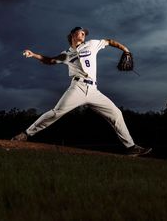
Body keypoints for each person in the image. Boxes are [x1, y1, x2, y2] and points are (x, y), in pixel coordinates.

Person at [12, 27, 152, 156]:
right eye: (80, 32)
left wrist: (125, 50)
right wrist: (33, 54)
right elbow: (49, 60)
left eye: (84, 33)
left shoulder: (92, 44)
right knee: (56, 112)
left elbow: (109, 41)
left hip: (93, 90)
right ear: (72, 35)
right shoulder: (66, 54)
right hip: (77, 87)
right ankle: (25, 134)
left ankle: (131, 147)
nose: (83, 34)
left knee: (116, 113)